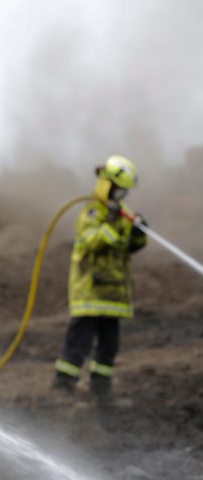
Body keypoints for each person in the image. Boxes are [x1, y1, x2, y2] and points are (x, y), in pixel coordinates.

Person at [53, 154, 147, 402]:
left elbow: (128, 246)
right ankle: (62, 387)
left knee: (109, 346)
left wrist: (138, 233)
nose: (121, 197)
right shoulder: (93, 211)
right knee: (78, 342)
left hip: (113, 292)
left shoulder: (123, 213)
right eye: (118, 191)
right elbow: (89, 241)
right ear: (107, 185)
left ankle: (102, 391)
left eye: (124, 193)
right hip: (90, 288)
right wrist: (112, 223)